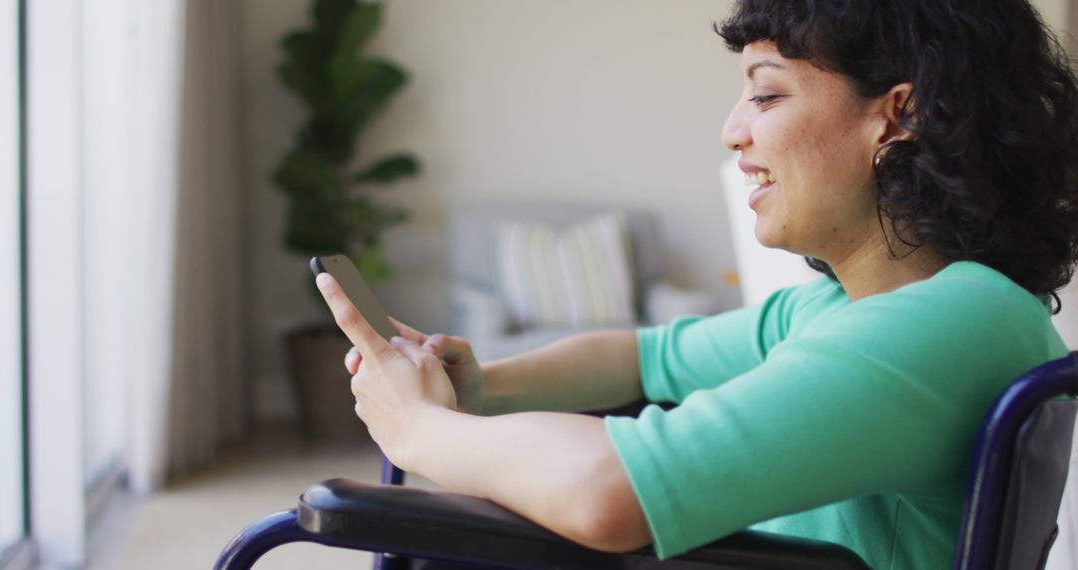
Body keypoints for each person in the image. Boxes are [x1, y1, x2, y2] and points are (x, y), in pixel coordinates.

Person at [314, 0, 1078, 567]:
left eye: (768, 93)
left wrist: (422, 431)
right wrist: (482, 387)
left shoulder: (938, 326)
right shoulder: (853, 306)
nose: (733, 130)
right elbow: (644, 358)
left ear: (897, 117)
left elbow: (606, 495)